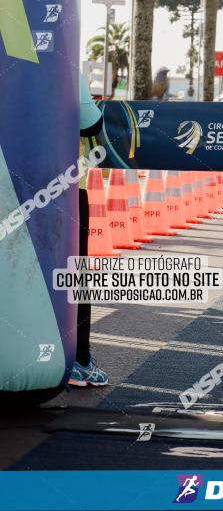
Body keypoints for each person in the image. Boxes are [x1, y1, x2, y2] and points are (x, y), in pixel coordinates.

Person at [68, 76, 109, 387]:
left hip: (13, 187)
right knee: (74, 274)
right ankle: (80, 360)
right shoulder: (65, 64)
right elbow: (91, 123)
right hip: (65, 188)